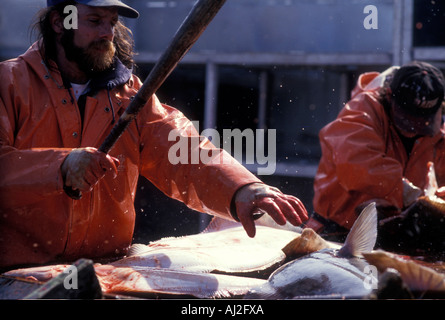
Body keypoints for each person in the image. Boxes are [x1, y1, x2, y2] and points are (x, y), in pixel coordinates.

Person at [0, 0, 308, 269]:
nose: (107, 33)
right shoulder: (8, 84)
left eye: (112, 22)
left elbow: (183, 150)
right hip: (16, 277)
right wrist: (61, 168)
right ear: (59, 22)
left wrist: (240, 189)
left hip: (108, 276)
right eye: (95, 21)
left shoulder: (130, 95)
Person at [308, 61, 445, 242]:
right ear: (389, 96)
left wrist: (437, 202)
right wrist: (406, 191)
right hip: (336, 234)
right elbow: (356, 164)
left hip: (392, 237)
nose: (414, 129)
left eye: (423, 122)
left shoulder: (439, 130)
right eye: (407, 119)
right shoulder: (362, 110)